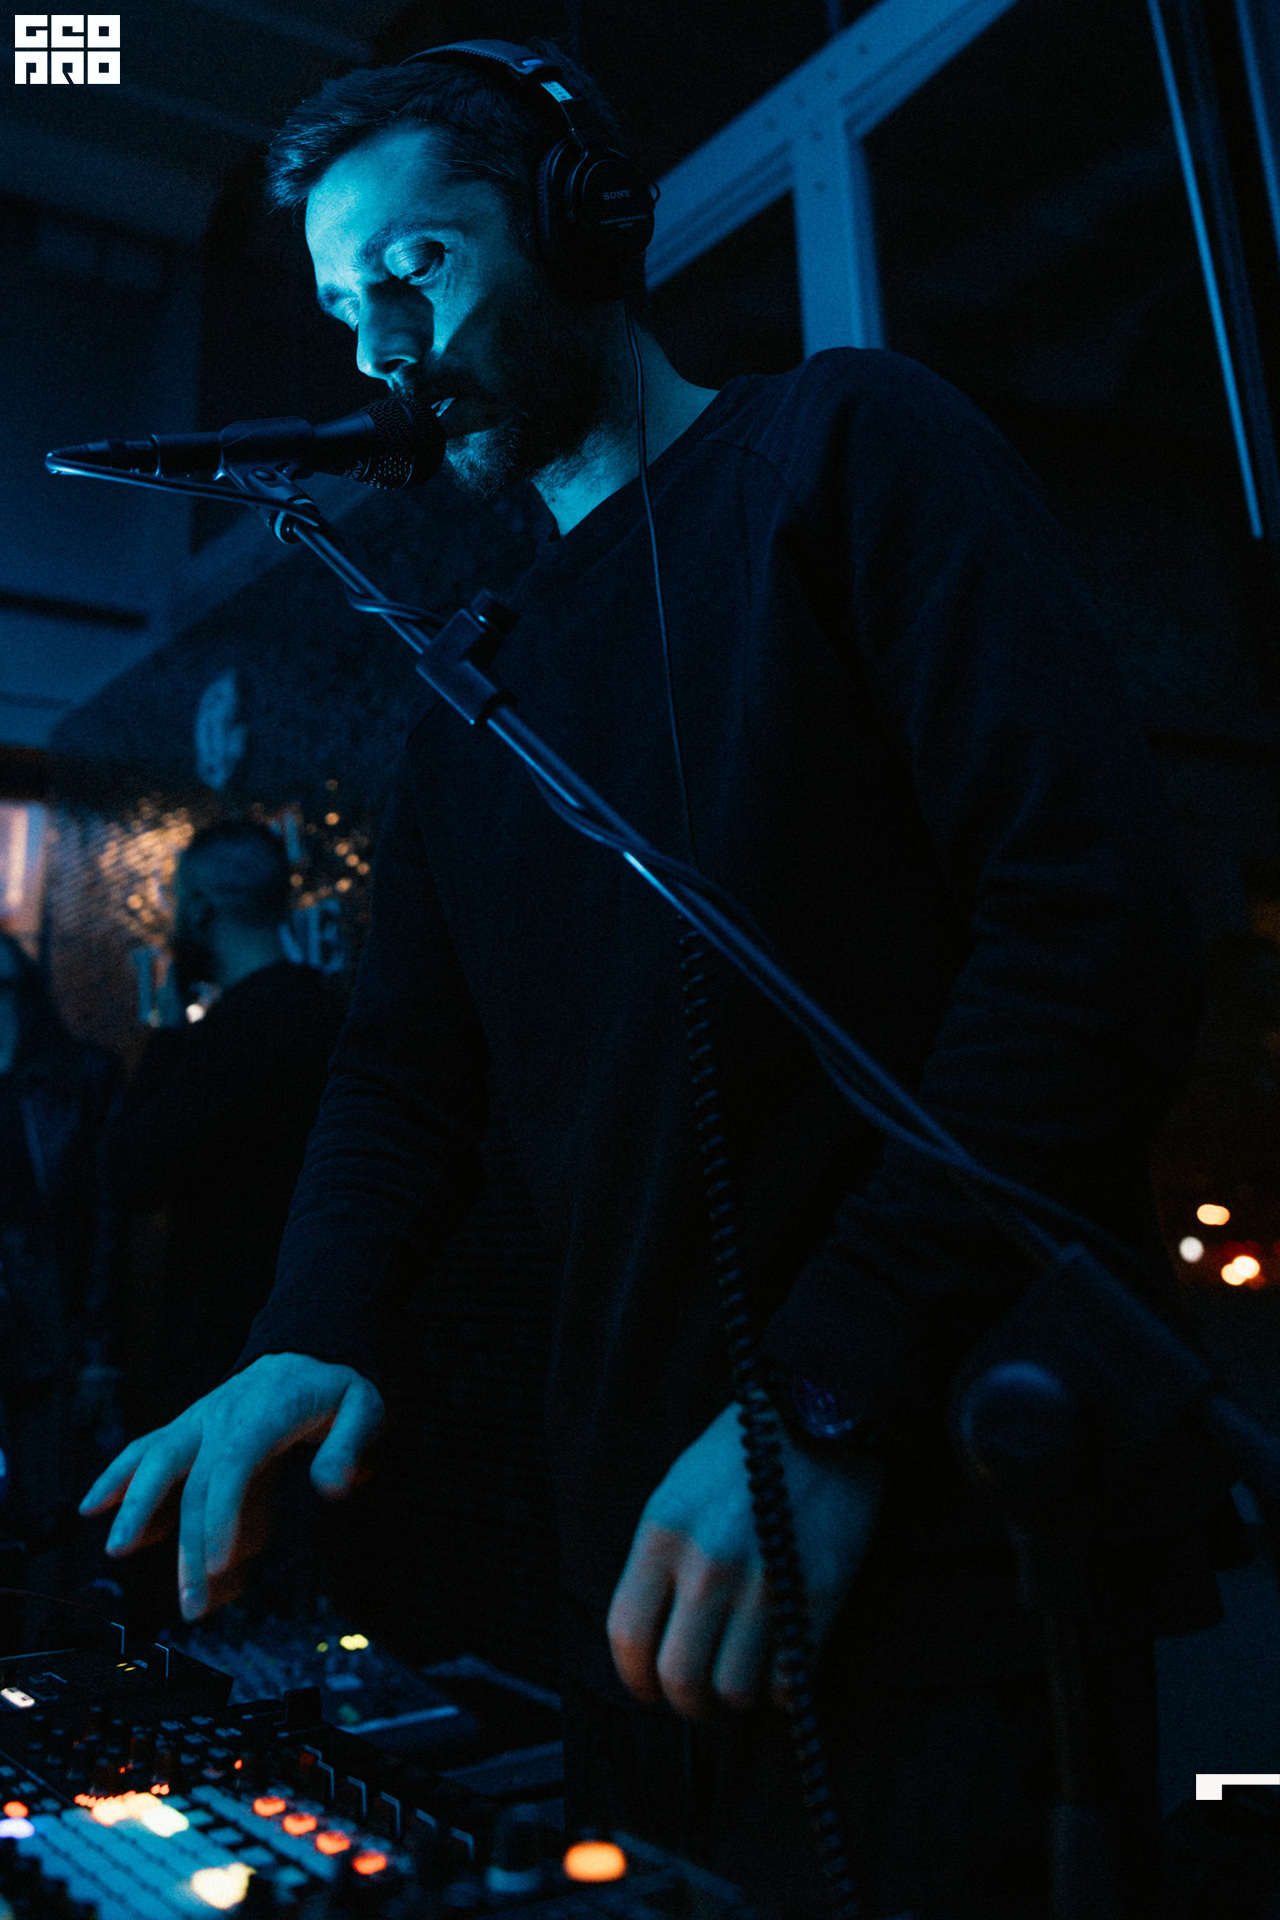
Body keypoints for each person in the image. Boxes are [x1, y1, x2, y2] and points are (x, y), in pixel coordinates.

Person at [82, 42, 1244, 1919]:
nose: (382, 345)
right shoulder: (476, 690)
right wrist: (311, 1328)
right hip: (648, 1564)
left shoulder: (850, 453)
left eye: (418, 263)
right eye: (344, 306)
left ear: (580, 224)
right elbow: (402, 1076)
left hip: (941, 1522)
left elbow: (1090, 937)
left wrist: (827, 1402)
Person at [106, 819, 345, 1423]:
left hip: (220, 1347)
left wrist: (166, 1035)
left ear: (201, 908)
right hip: (312, 1331)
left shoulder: (226, 1040)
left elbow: (130, 1174)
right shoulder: (329, 1016)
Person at [0, 929, 123, 1638]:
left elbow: (104, 1222)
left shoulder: (76, 1078)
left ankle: (37, 1661)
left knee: (49, 1503)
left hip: (48, 1319)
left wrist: (100, 1352)